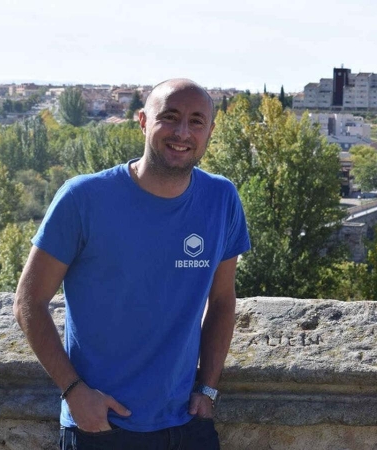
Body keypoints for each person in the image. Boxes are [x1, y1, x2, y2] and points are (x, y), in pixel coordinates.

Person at [14, 78, 250, 450]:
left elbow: (222, 300)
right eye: (169, 118)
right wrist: (74, 392)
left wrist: (208, 388)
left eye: (196, 121)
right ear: (142, 121)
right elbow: (28, 302)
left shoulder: (221, 198)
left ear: (210, 131)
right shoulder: (83, 198)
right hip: (101, 426)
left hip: (187, 423)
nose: (183, 132)